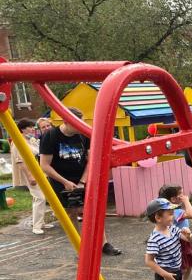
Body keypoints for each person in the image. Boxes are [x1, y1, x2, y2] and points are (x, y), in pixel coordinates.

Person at [39, 107, 121, 255]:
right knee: (70, 213)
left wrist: (83, 181)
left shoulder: (83, 135)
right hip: (61, 181)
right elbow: (44, 165)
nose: (81, 126)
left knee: (92, 210)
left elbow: (91, 160)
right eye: (77, 123)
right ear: (66, 121)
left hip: (82, 178)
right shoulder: (51, 136)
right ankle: (80, 247)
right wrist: (65, 182)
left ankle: (104, 244)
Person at [10, 118, 53, 235]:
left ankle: (41, 222)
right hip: (30, 174)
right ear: (23, 129)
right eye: (30, 127)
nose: (33, 129)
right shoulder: (18, 142)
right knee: (39, 198)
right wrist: (30, 177)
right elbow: (20, 161)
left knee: (43, 196)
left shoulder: (30, 140)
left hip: (39, 172)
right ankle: (36, 225)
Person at [158, 184, 192, 280]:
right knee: (183, 266)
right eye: (180, 194)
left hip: (185, 240)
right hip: (179, 242)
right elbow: (191, 214)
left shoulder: (175, 211)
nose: (183, 195)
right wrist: (186, 201)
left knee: (189, 263)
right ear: (173, 199)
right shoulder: (175, 212)